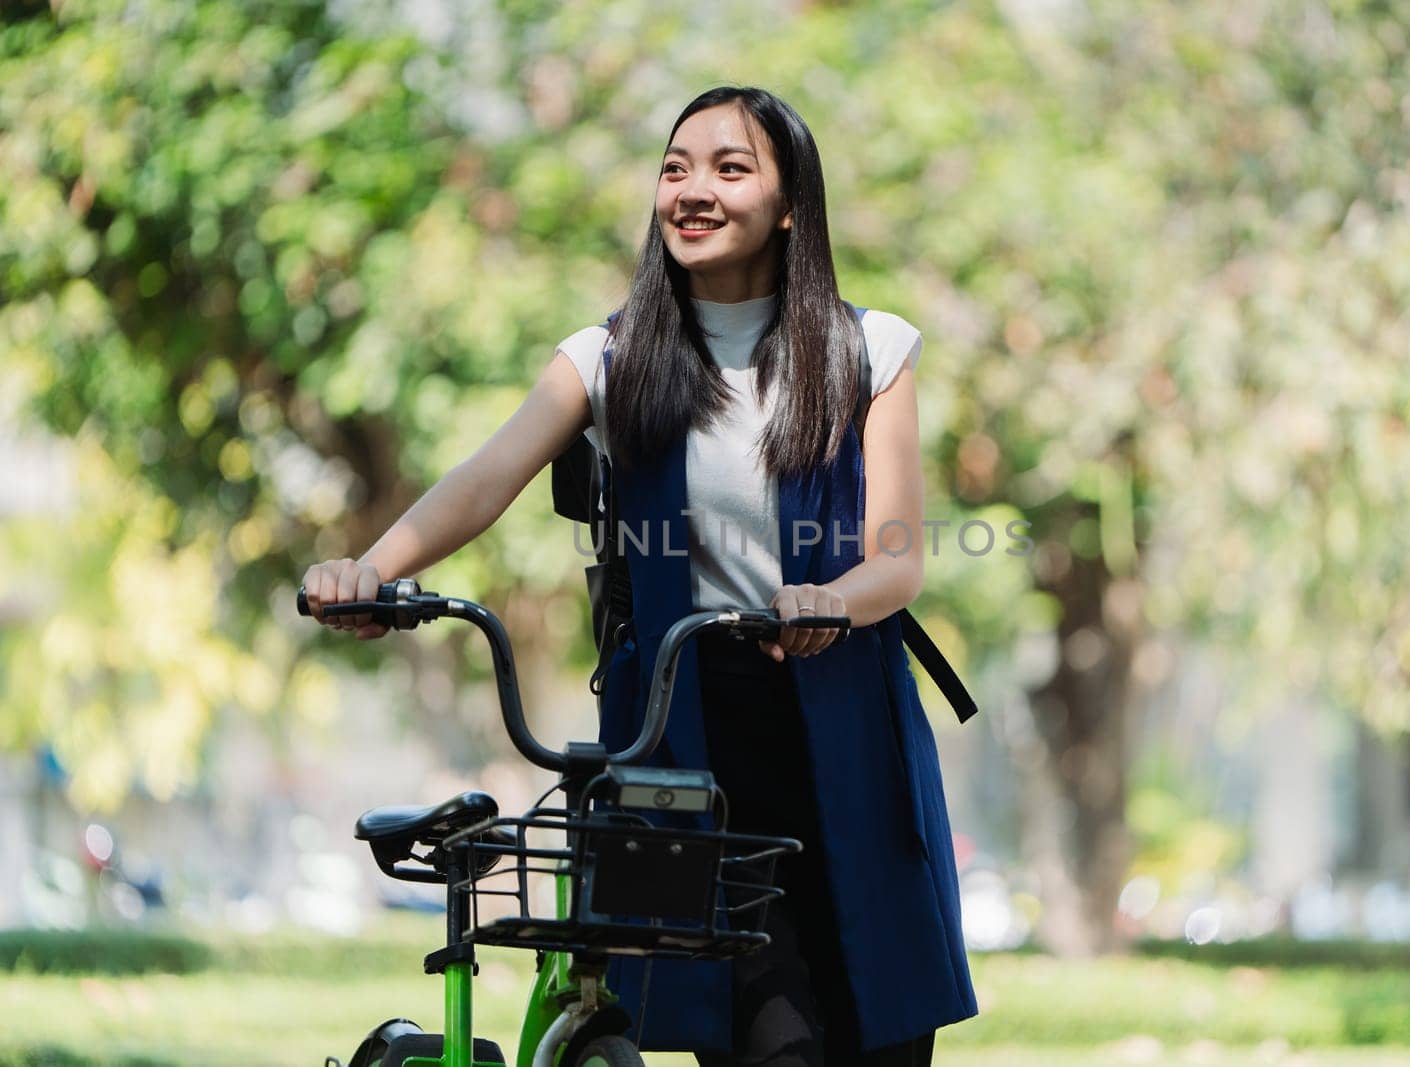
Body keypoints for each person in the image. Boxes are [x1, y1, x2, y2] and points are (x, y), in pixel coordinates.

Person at [302, 85, 977, 1066]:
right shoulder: (612, 357)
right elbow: (485, 477)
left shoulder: (869, 351)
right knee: (768, 1039)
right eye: (674, 168)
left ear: (791, 205)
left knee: (882, 1032)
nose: (692, 190)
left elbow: (899, 552)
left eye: (729, 168)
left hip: (844, 728)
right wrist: (369, 569)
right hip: (682, 736)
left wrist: (833, 598)